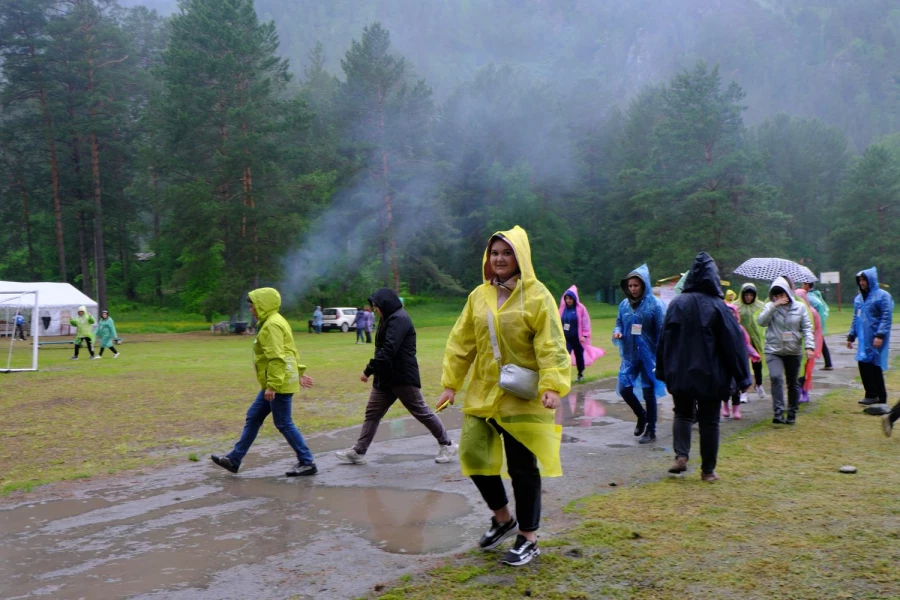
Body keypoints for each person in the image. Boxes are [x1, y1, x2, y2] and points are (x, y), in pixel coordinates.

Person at [438, 226, 570, 567]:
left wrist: (552, 386)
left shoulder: (538, 296)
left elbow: (551, 345)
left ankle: (528, 537)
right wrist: (451, 383)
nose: (499, 258)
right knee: (473, 455)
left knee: (522, 467)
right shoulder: (478, 296)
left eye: (506, 252)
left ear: (519, 257)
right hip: (484, 393)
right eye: (495, 252)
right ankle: (502, 518)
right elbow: (461, 342)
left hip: (524, 397)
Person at [656, 252, 751, 482]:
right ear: (712, 277)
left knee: (682, 414)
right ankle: (708, 471)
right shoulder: (718, 307)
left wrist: (661, 370)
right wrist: (743, 377)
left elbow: (664, 341)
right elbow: (734, 343)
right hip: (711, 375)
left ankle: (681, 456)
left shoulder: (676, 304)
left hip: (680, 373)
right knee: (709, 422)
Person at [335, 287, 458, 465]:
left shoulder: (399, 319)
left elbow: (389, 349)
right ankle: (358, 451)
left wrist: (369, 370)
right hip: (385, 378)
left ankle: (447, 445)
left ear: (385, 304)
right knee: (372, 413)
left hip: (401, 376)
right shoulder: (388, 318)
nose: (375, 309)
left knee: (421, 412)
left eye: (376, 306)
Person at [211, 288, 318, 477]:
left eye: (253, 306)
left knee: (284, 423)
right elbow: (289, 350)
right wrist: (298, 372)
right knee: (254, 416)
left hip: (278, 383)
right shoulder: (275, 320)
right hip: (279, 379)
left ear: (263, 305)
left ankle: (307, 462)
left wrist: (272, 385)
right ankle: (234, 460)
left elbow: (277, 357)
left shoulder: (272, 325)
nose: (251, 309)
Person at [612, 264, 666, 444]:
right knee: (624, 388)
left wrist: (659, 356)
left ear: (643, 285)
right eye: (630, 286)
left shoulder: (655, 305)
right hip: (630, 354)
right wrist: (618, 331)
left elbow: (661, 332)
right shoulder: (624, 305)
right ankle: (641, 416)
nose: (633, 289)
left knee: (648, 392)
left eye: (636, 285)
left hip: (649, 355)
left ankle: (651, 429)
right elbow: (619, 322)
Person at [757, 277, 815, 424]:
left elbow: (807, 328)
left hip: (793, 350)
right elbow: (761, 321)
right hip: (773, 349)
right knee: (776, 377)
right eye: (775, 295)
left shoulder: (800, 307)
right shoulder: (770, 306)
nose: (779, 298)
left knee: (792, 382)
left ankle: (792, 411)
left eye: (781, 295)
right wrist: (773, 306)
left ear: (788, 293)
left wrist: (809, 346)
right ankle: (778, 411)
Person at [848, 267, 893, 407]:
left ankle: (880, 396)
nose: (861, 283)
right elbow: (856, 318)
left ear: (870, 280)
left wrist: (880, 335)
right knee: (863, 363)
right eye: (860, 280)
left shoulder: (882, 296)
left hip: (876, 337)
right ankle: (871, 394)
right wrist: (851, 335)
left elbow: (886, 317)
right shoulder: (859, 299)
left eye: (864, 279)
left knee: (875, 366)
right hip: (864, 338)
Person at [722, 303, 762, 419]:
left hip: (737, 362)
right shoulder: (720, 328)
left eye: (733, 313)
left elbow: (746, 344)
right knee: (725, 386)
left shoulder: (740, 329)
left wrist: (754, 354)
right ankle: (725, 406)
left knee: (736, 387)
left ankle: (736, 408)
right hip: (724, 363)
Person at [558, 286, 605, 383]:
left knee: (579, 356)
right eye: (566, 298)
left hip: (578, 339)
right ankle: (564, 377)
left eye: (570, 298)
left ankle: (580, 374)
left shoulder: (581, 308)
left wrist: (584, 335)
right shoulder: (562, 309)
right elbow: (557, 321)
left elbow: (585, 322)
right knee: (565, 356)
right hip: (566, 339)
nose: (568, 300)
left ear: (574, 298)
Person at [793, 287, 824, 403]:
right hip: (796, 345)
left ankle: (804, 392)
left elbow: (817, 331)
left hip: (808, 346)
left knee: (806, 371)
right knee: (796, 370)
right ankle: (797, 392)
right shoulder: (794, 310)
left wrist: (813, 347)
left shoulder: (813, 313)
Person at [738, 283, 767, 400]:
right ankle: (743, 390)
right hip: (742, 340)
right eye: (746, 295)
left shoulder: (760, 306)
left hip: (756, 339)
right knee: (743, 365)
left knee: (757, 364)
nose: (749, 297)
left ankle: (759, 384)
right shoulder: (736, 306)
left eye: (751, 295)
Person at [802, 282, 832, 370]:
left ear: (807, 285)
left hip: (814, 324)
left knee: (813, 343)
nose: (802, 286)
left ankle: (809, 365)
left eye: (803, 284)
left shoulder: (809, 297)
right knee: (821, 342)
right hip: (818, 323)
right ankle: (828, 363)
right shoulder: (815, 295)